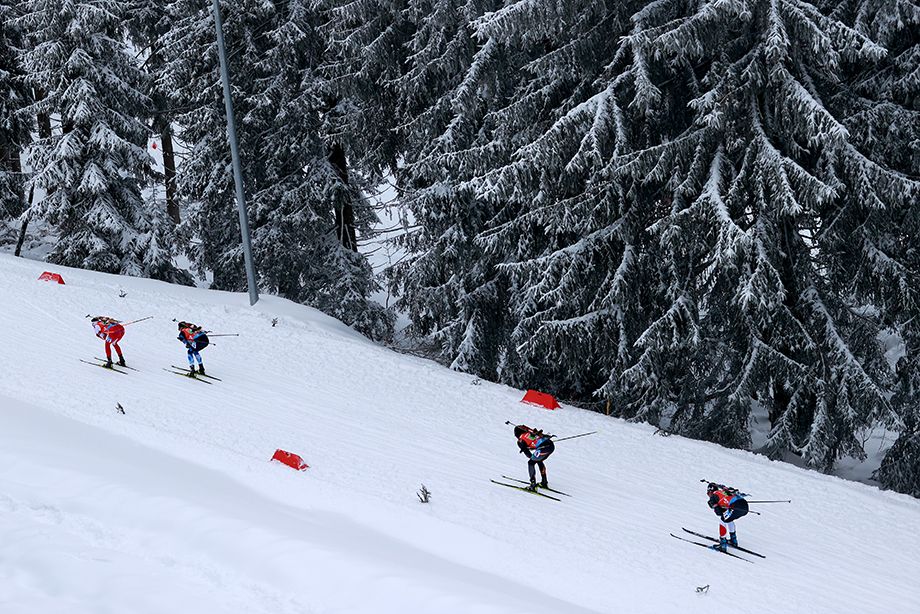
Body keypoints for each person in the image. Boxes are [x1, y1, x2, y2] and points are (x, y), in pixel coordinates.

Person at [706, 482, 750, 552]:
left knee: (722, 520)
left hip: (735, 506)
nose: (709, 495)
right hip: (745, 507)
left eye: (708, 493)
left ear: (710, 491)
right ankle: (733, 540)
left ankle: (722, 544)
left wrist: (716, 506)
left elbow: (718, 513)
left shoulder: (714, 496)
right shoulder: (723, 492)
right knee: (728, 519)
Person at [514, 424, 555, 490]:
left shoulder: (520, 440)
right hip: (551, 446)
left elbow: (528, 455)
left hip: (543, 448)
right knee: (538, 460)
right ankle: (544, 482)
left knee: (531, 463)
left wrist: (528, 449)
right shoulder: (530, 433)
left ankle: (533, 485)